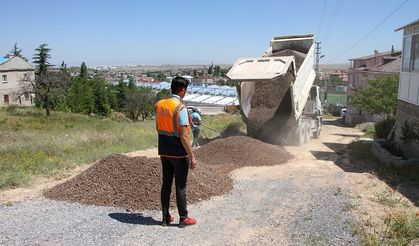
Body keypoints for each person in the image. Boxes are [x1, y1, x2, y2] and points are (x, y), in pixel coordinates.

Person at [155, 76, 197, 228]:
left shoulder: (159, 104)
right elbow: (184, 137)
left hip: (164, 151)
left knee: (166, 184)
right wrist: (192, 156)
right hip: (179, 153)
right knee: (180, 187)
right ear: (183, 90)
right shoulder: (181, 108)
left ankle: (165, 218)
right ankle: (183, 218)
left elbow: (160, 125)